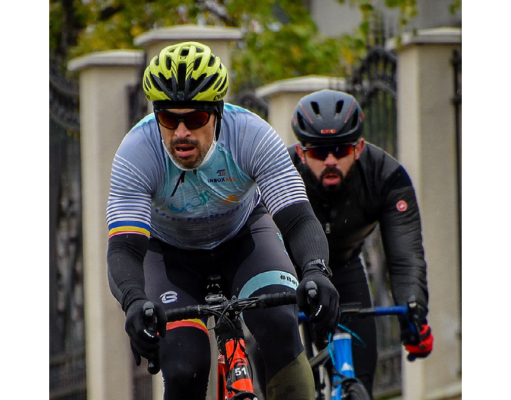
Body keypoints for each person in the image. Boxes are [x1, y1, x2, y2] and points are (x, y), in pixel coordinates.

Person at [106, 41, 340, 400]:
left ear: (217, 113)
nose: (180, 133)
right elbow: (124, 247)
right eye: (168, 119)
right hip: (170, 255)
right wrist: (134, 301)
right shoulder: (137, 152)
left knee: (279, 323)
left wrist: (316, 270)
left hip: (243, 239)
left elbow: (297, 219)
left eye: (195, 119)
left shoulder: (251, 135)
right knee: (184, 367)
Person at [288, 89, 434, 398]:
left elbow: (405, 255)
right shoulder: (281, 173)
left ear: (359, 148)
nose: (331, 161)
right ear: (301, 153)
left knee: (361, 380)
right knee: (283, 378)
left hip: (343, 266)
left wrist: (414, 309)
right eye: (319, 153)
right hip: (288, 270)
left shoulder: (385, 175)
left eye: (341, 150)